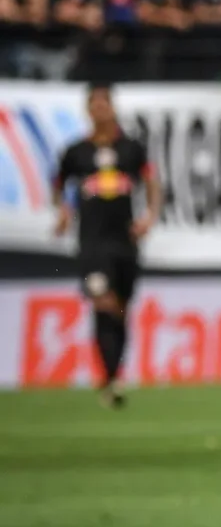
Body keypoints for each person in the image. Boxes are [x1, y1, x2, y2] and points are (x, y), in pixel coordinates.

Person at [52, 84, 161, 408]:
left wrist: (149, 217)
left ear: (112, 108)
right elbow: (57, 186)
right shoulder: (76, 152)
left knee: (122, 308)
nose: (100, 109)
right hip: (92, 243)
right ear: (88, 110)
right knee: (103, 301)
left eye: (105, 104)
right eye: (95, 104)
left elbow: (152, 183)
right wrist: (62, 210)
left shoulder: (131, 149)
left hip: (124, 242)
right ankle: (111, 377)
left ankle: (113, 375)